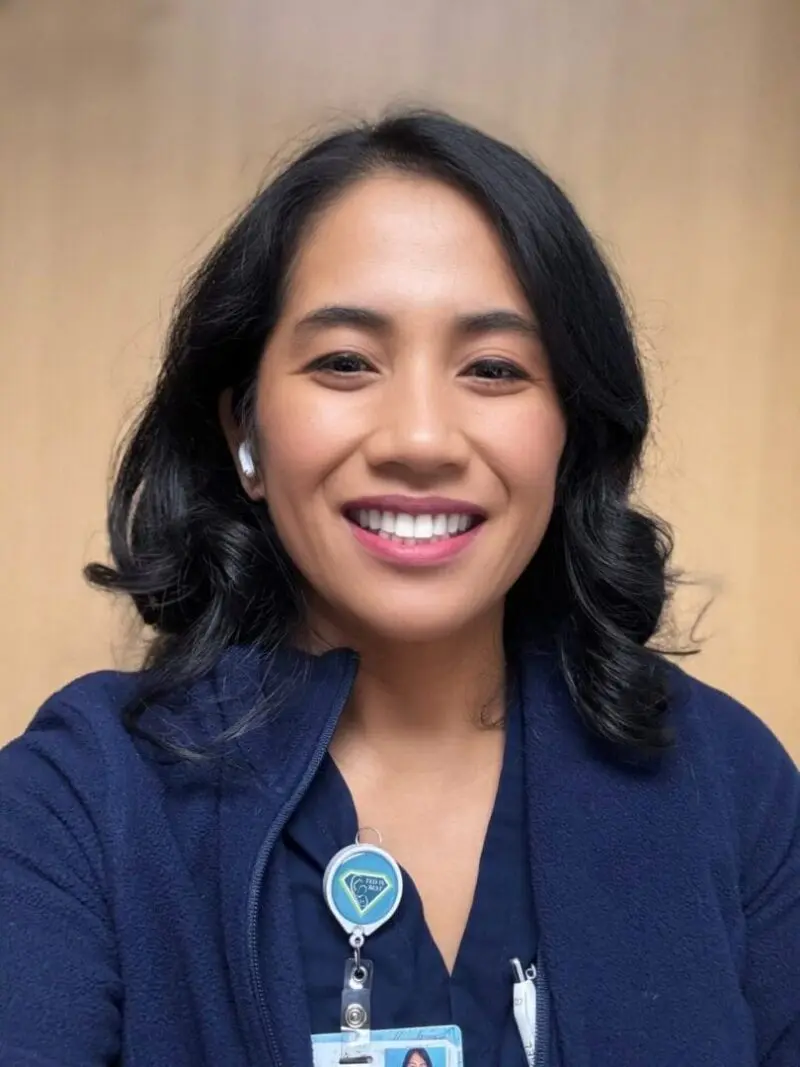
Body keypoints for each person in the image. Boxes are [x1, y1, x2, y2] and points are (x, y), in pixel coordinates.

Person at [0, 109, 797, 1067]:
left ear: (571, 433)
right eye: (345, 362)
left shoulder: (727, 782)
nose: (420, 439)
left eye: (494, 369)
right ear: (244, 431)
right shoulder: (78, 800)